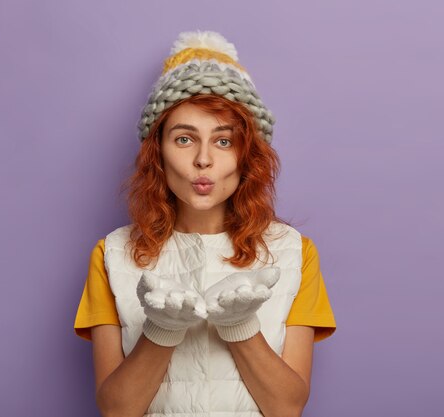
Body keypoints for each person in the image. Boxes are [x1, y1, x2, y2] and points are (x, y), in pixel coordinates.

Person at [74, 30, 337, 417]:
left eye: (224, 141)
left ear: (248, 156)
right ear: (157, 153)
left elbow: (287, 407)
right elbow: (116, 410)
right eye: (184, 139)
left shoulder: (296, 253)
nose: (203, 160)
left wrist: (240, 326)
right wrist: (161, 330)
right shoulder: (112, 255)